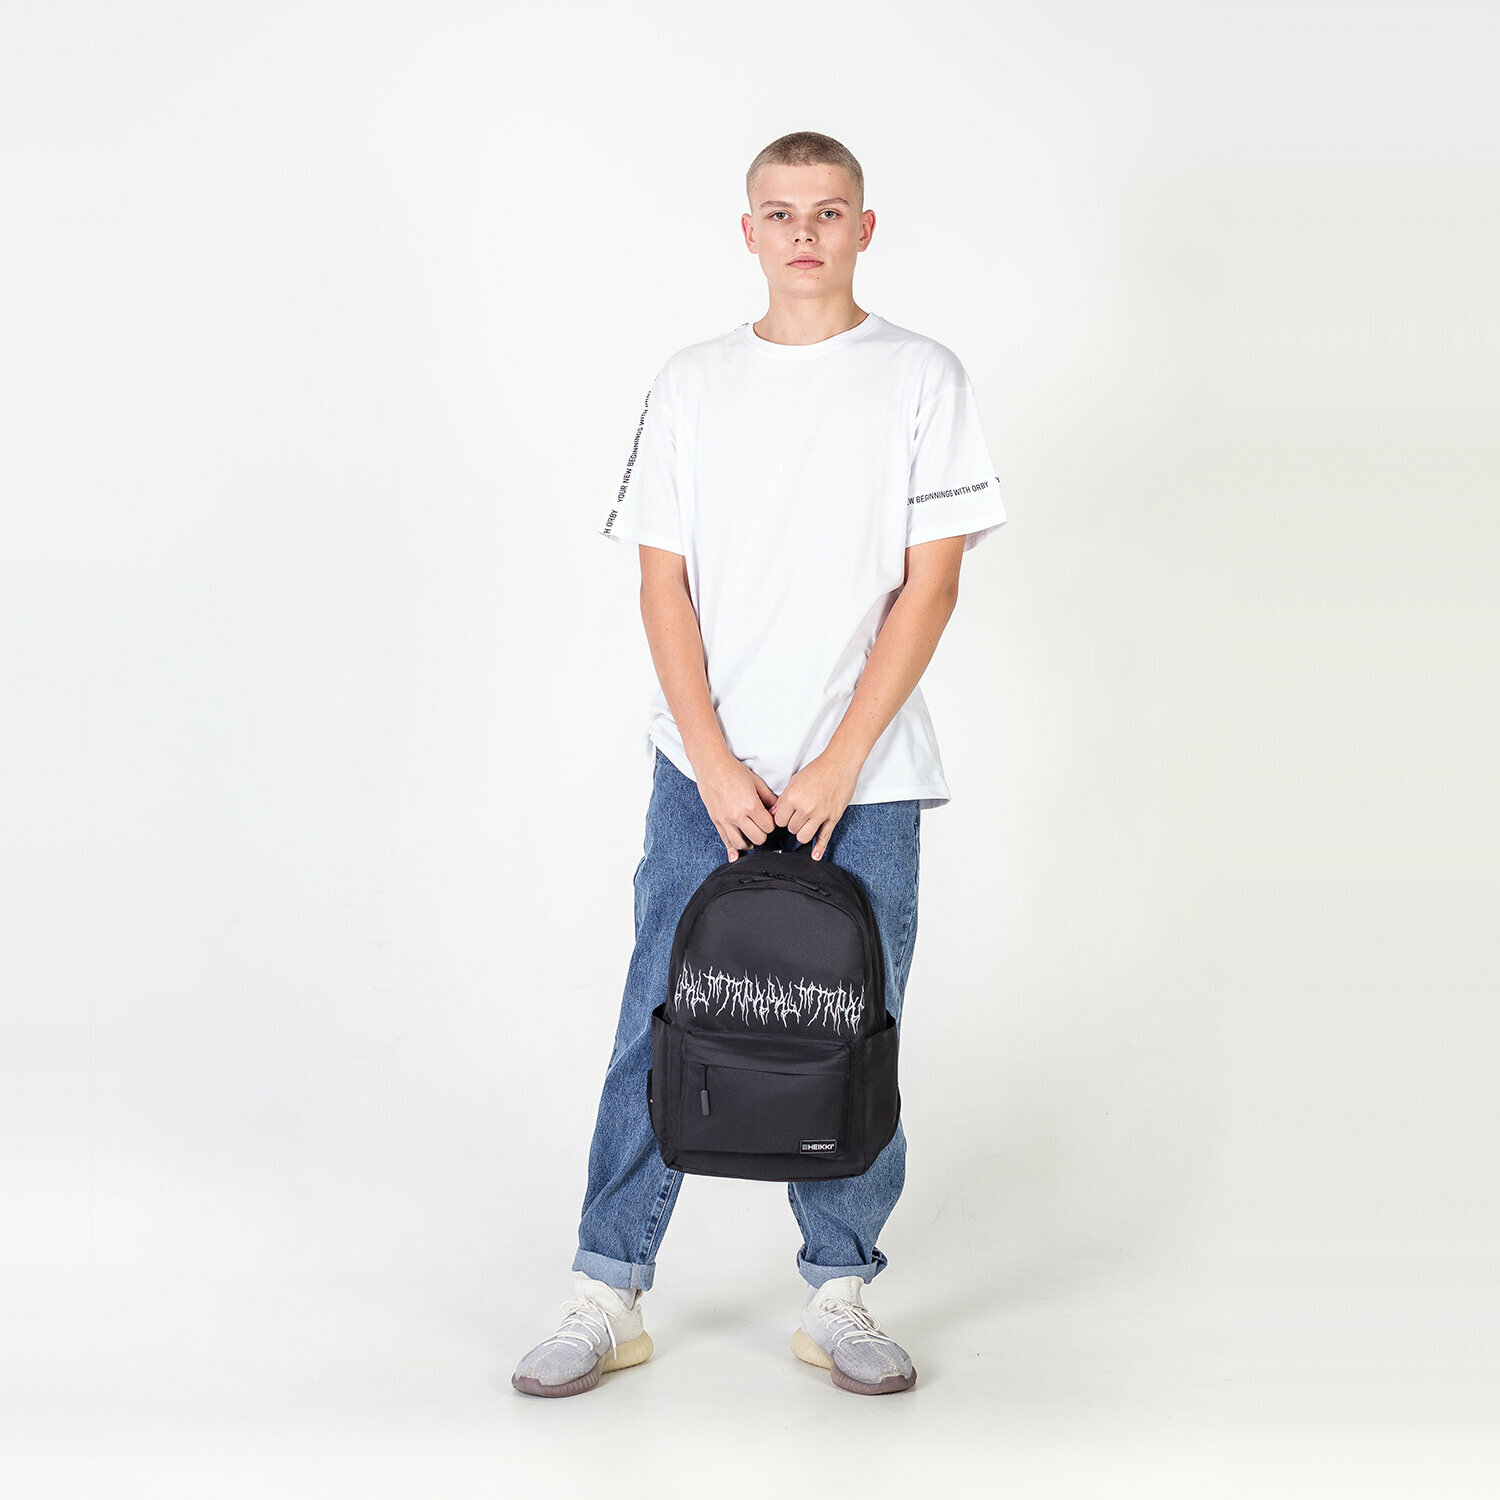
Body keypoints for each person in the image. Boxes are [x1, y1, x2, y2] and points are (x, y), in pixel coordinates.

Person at [513, 131, 1007, 1399]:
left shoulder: (920, 377)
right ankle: (607, 1288)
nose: (804, 233)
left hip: (867, 779)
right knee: (661, 1012)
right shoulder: (693, 384)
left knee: (849, 1027)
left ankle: (840, 1293)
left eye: (828, 212)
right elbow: (661, 584)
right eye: (780, 213)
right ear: (747, 231)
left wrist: (837, 763)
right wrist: (715, 760)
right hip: (707, 775)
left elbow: (931, 586)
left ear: (864, 228)